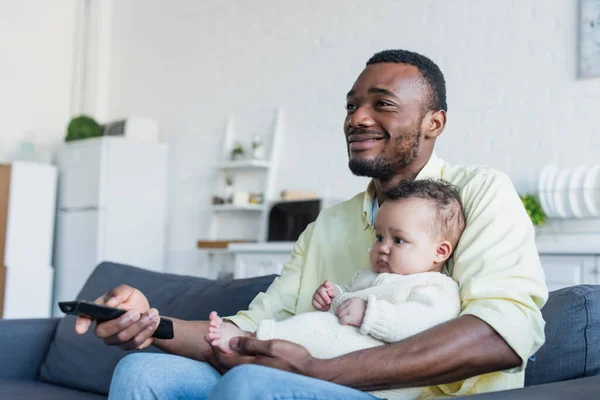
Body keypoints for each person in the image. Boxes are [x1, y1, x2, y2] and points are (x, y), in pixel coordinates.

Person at [75, 49, 548, 400]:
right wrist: (150, 322)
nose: (357, 119)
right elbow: (251, 329)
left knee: (251, 383)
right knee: (143, 374)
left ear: (434, 123)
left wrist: (317, 371)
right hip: (308, 380)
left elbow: (501, 333)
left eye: (382, 104)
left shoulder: (480, 193)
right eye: (351, 106)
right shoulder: (328, 225)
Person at [205, 179, 470, 400]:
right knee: (312, 324)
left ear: (440, 251)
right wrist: (332, 298)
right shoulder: (368, 278)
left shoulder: (436, 288)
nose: (383, 247)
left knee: (303, 338)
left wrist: (370, 313)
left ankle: (251, 340)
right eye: (379, 237)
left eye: (398, 240)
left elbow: (423, 328)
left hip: (377, 390)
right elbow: (346, 310)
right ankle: (251, 341)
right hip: (333, 372)